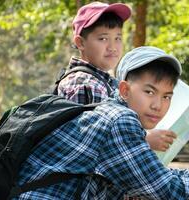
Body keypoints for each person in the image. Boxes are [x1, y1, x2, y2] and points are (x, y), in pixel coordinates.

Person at [15, 46, 189, 199]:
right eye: (149, 92)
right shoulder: (119, 120)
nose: (158, 105)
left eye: (166, 97)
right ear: (125, 89)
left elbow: (153, 176)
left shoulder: (107, 112)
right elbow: (165, 190)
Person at [56, 1, 176, 152]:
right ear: (80, 42)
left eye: (118, 38)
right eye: (103, 38)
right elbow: (86, 143)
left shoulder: (104, 82)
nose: (113, 47)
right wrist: (144, 139)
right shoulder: (84, 83)